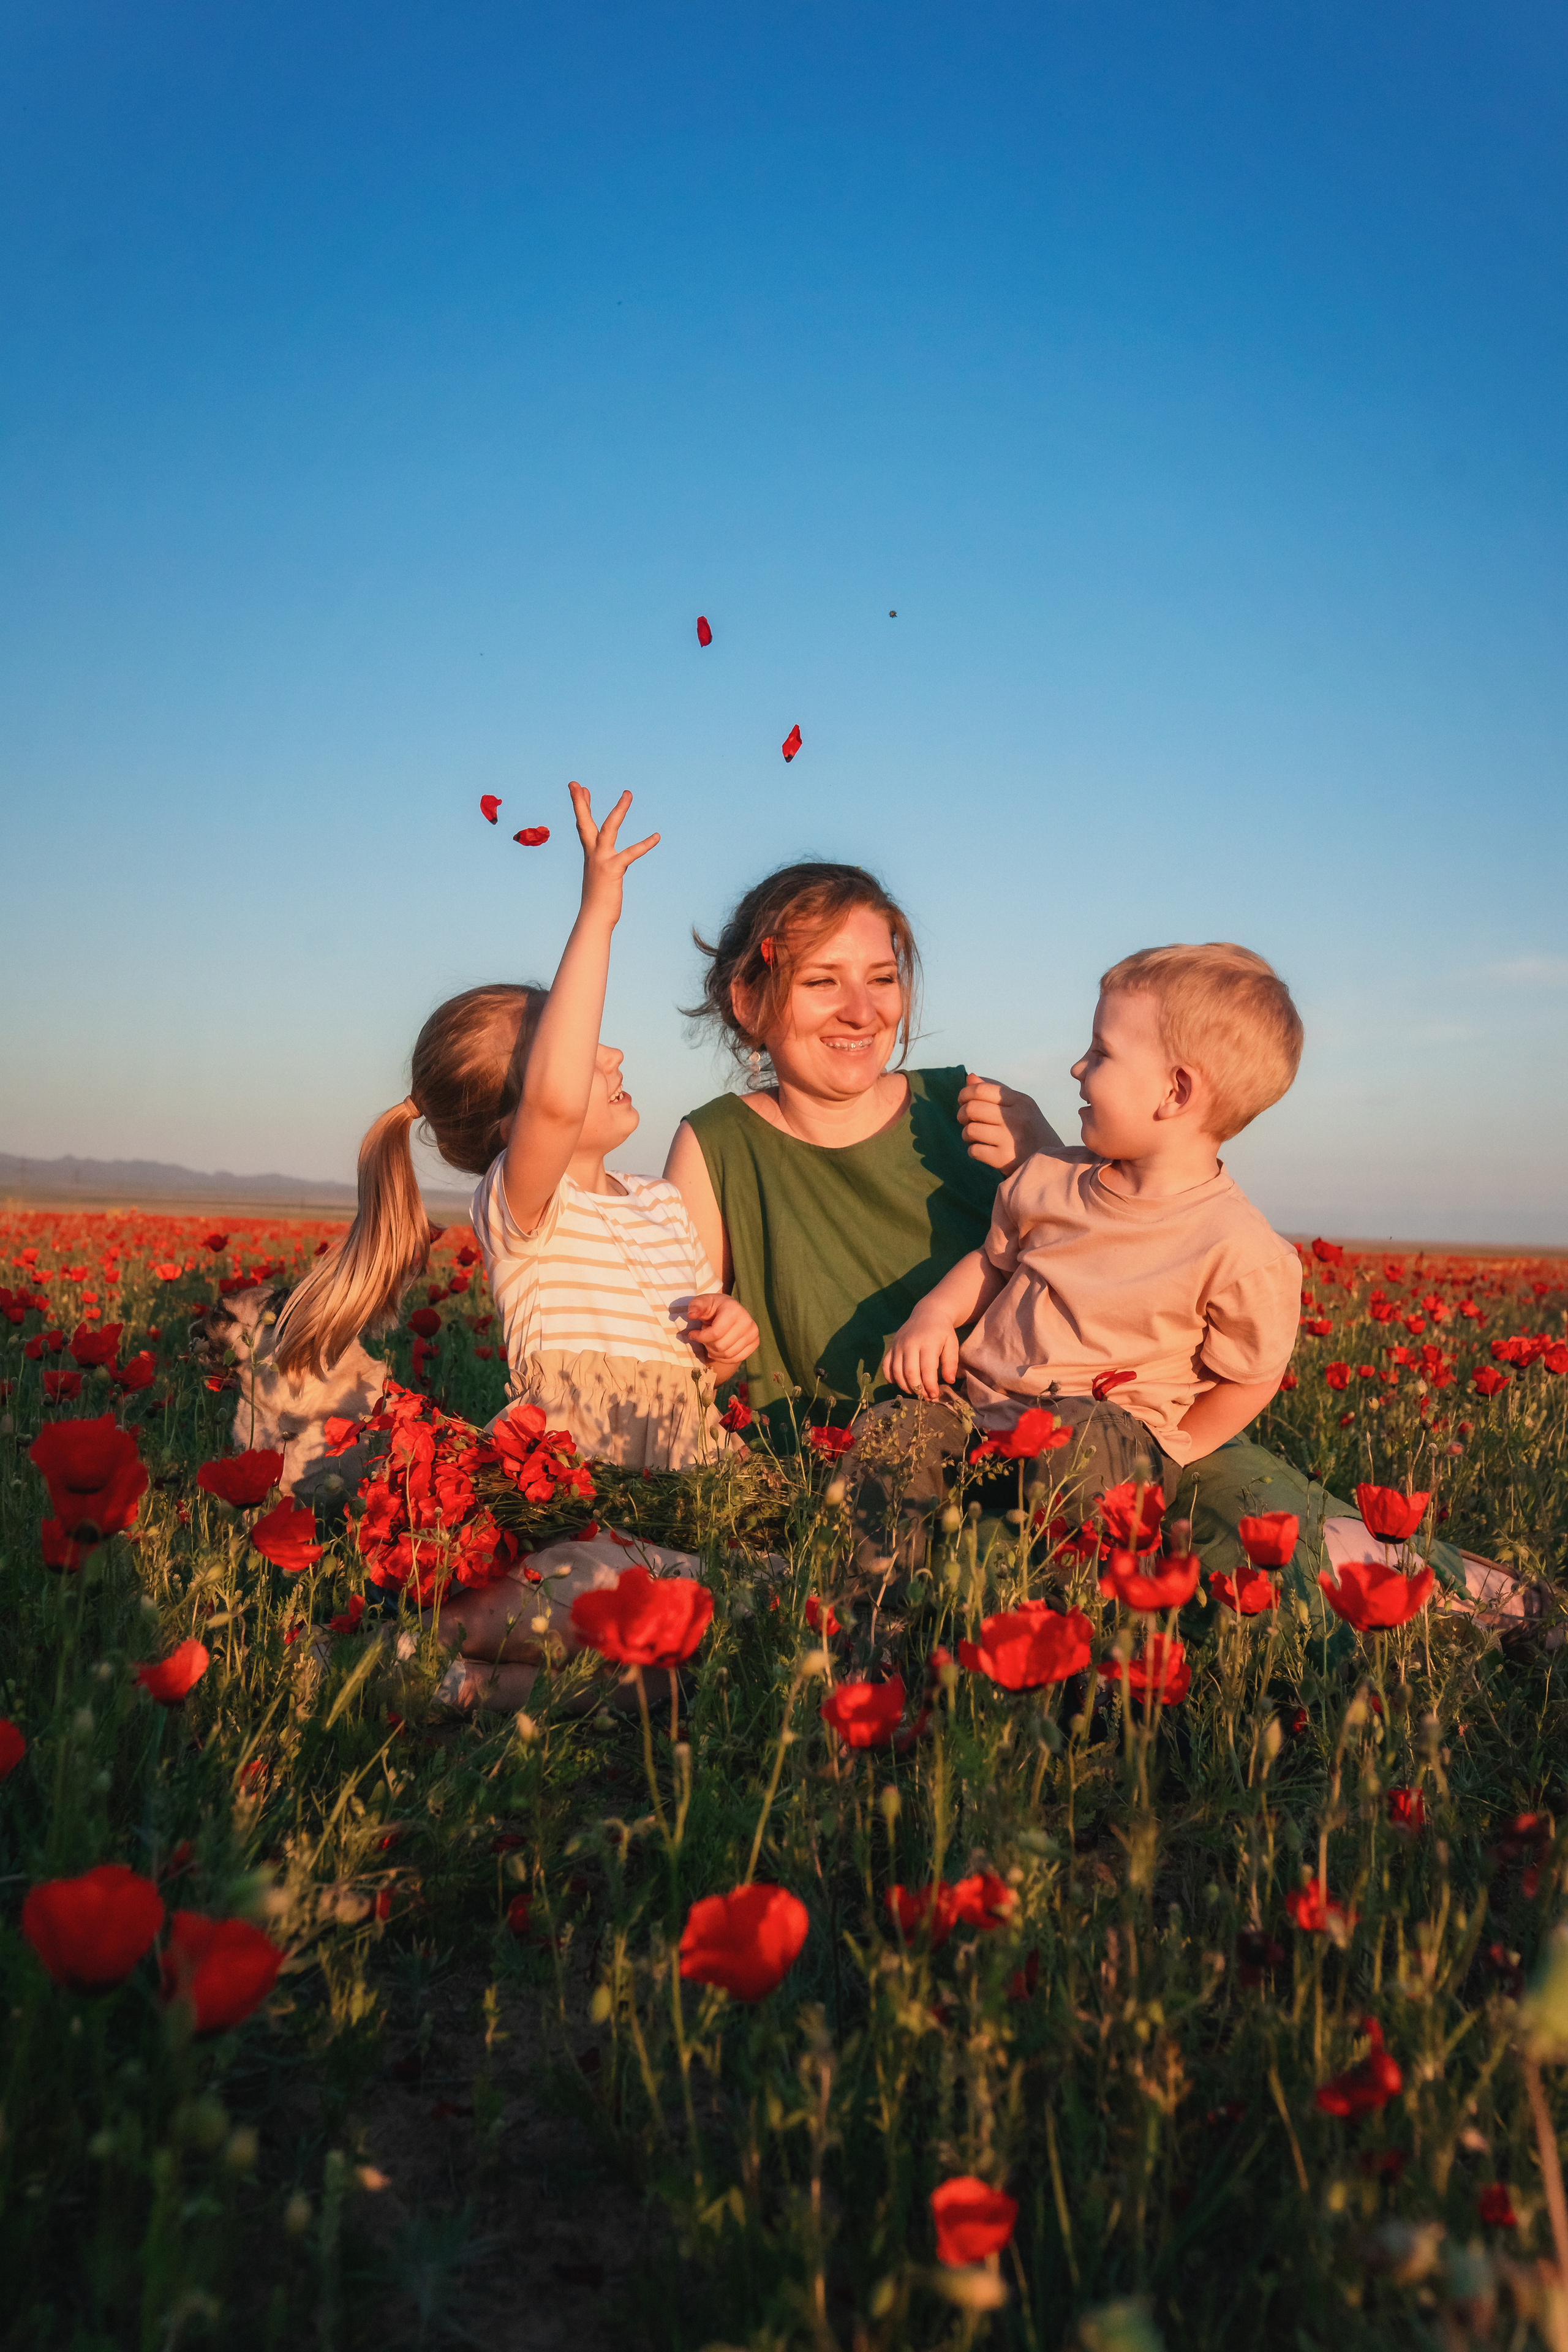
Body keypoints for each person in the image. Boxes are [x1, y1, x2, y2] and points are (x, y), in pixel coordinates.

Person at [274, 782, 759, 1707]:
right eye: (578, 1053)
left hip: (689, 1506)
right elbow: (552, 1102)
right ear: (521, 1110)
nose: (610, 1057)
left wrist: (727, 1339)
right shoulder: (526, 1211)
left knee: (701, 1655)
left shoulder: (659, 1203)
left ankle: (450, 1685)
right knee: (622, 1594)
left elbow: (704, 1376)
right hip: (590, 1516)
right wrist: (598, 915)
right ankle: (413, 1644)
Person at [882, 943, 1478, 1611]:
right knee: (892, 1436)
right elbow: (992, 1264)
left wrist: (1179, 1444)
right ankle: (875, 1616)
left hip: (1105, 1440)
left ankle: (1077, 1629)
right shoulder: (1049, 1177)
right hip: (977, 1408)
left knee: (1080, 1450)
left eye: (1101, 1053)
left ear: (1177, 1091)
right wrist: (933, 1316)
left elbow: (1251, 1376)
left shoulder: (1239, 1249)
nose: (1077, 1067)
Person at [665, 859, 1054, 1447]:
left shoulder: (966, 1105)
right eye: (823, 982)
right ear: (748, 1005)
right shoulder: (715, 1145)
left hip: (1019, 1446)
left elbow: (1100, 1264)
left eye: (881, 978)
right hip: (827, 1481)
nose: (862, 1011)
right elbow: (690, 1361)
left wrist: (1045, 1163)